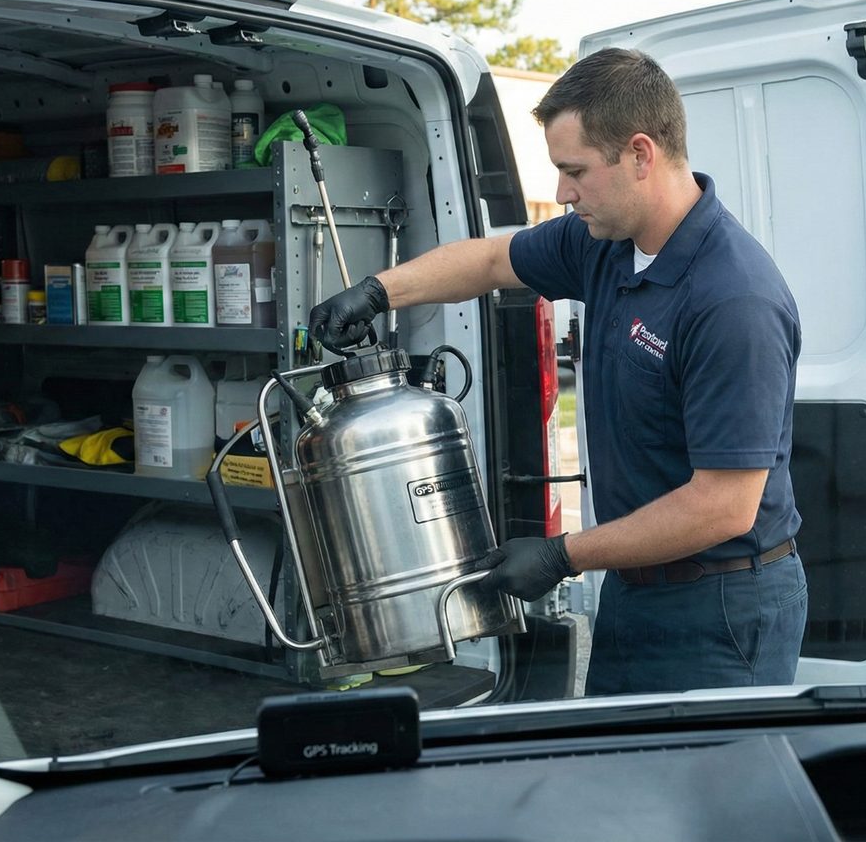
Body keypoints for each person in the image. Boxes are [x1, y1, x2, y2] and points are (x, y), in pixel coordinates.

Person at [309, 48, 806, 695]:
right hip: (636, 590)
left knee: (705, 797)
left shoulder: (731, 297)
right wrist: (377, 291)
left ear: (640, 154)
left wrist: (562, 555)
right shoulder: (605, 246)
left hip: (722, 610)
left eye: (574, 172)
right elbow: (490, 260)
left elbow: (724, 507)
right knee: (613, 785)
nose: (562, 194)